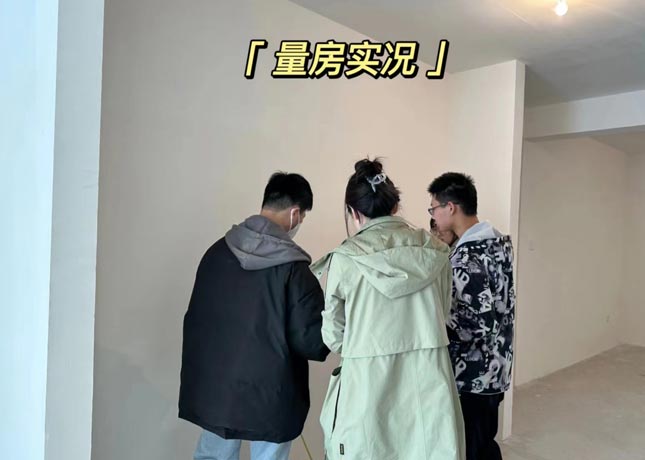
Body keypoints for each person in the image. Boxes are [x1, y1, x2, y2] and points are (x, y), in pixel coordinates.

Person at [312, 159, 465, 460]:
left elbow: (333, 335)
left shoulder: (344, 259)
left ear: (354, 212)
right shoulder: (436, 252)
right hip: (429, 377)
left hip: (366, 381)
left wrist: (365, 343)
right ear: (395, 206)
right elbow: (444, 310)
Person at [179, 172, 330, 460]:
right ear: (295, 213)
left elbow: (195, 321)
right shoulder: (294, 269)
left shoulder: (216, 253)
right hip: (272, 396)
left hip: (217, 391)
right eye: (302, 217)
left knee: (212, 457)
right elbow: (311, 341)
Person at [427, 172, 516, 460]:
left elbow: (475, 324)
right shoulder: (498, 243)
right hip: (498, 366)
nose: (433, 215)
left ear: (450, 207)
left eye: (433, 208)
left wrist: (435, 321)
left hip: (474, 375)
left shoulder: (467, 256)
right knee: (484, 441)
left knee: (474, 448)